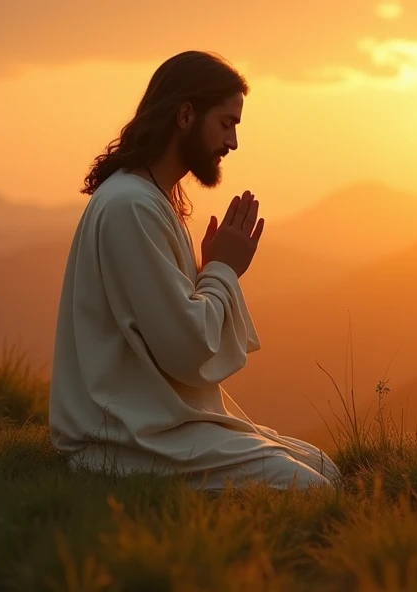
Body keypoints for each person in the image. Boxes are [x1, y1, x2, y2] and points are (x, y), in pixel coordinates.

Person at [48, 50, 340, 490]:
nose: (233, 142)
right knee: (315, 488)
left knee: (327, 467)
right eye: (226, 123)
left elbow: (165, 326)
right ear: (185, 115)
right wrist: (222, 269)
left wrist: (211, 271)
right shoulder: (132, 206)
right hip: (122, 440)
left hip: (156, 424)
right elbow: (185, 349)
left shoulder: (153, 198)